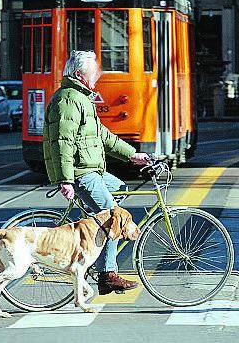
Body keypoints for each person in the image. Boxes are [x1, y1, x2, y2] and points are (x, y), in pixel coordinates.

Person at [43, 51, 149, 295]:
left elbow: (104, 136)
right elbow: (63, 141)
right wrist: (66, 179)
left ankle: (97, 247)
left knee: (120, 189)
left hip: (93, 171)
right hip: (81, 173)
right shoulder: (68, 100)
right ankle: (107, 274)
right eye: (95, 72)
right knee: (114, 217)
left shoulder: (83, 99)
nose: (98, 76)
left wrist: (133, 155)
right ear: (80, 75)